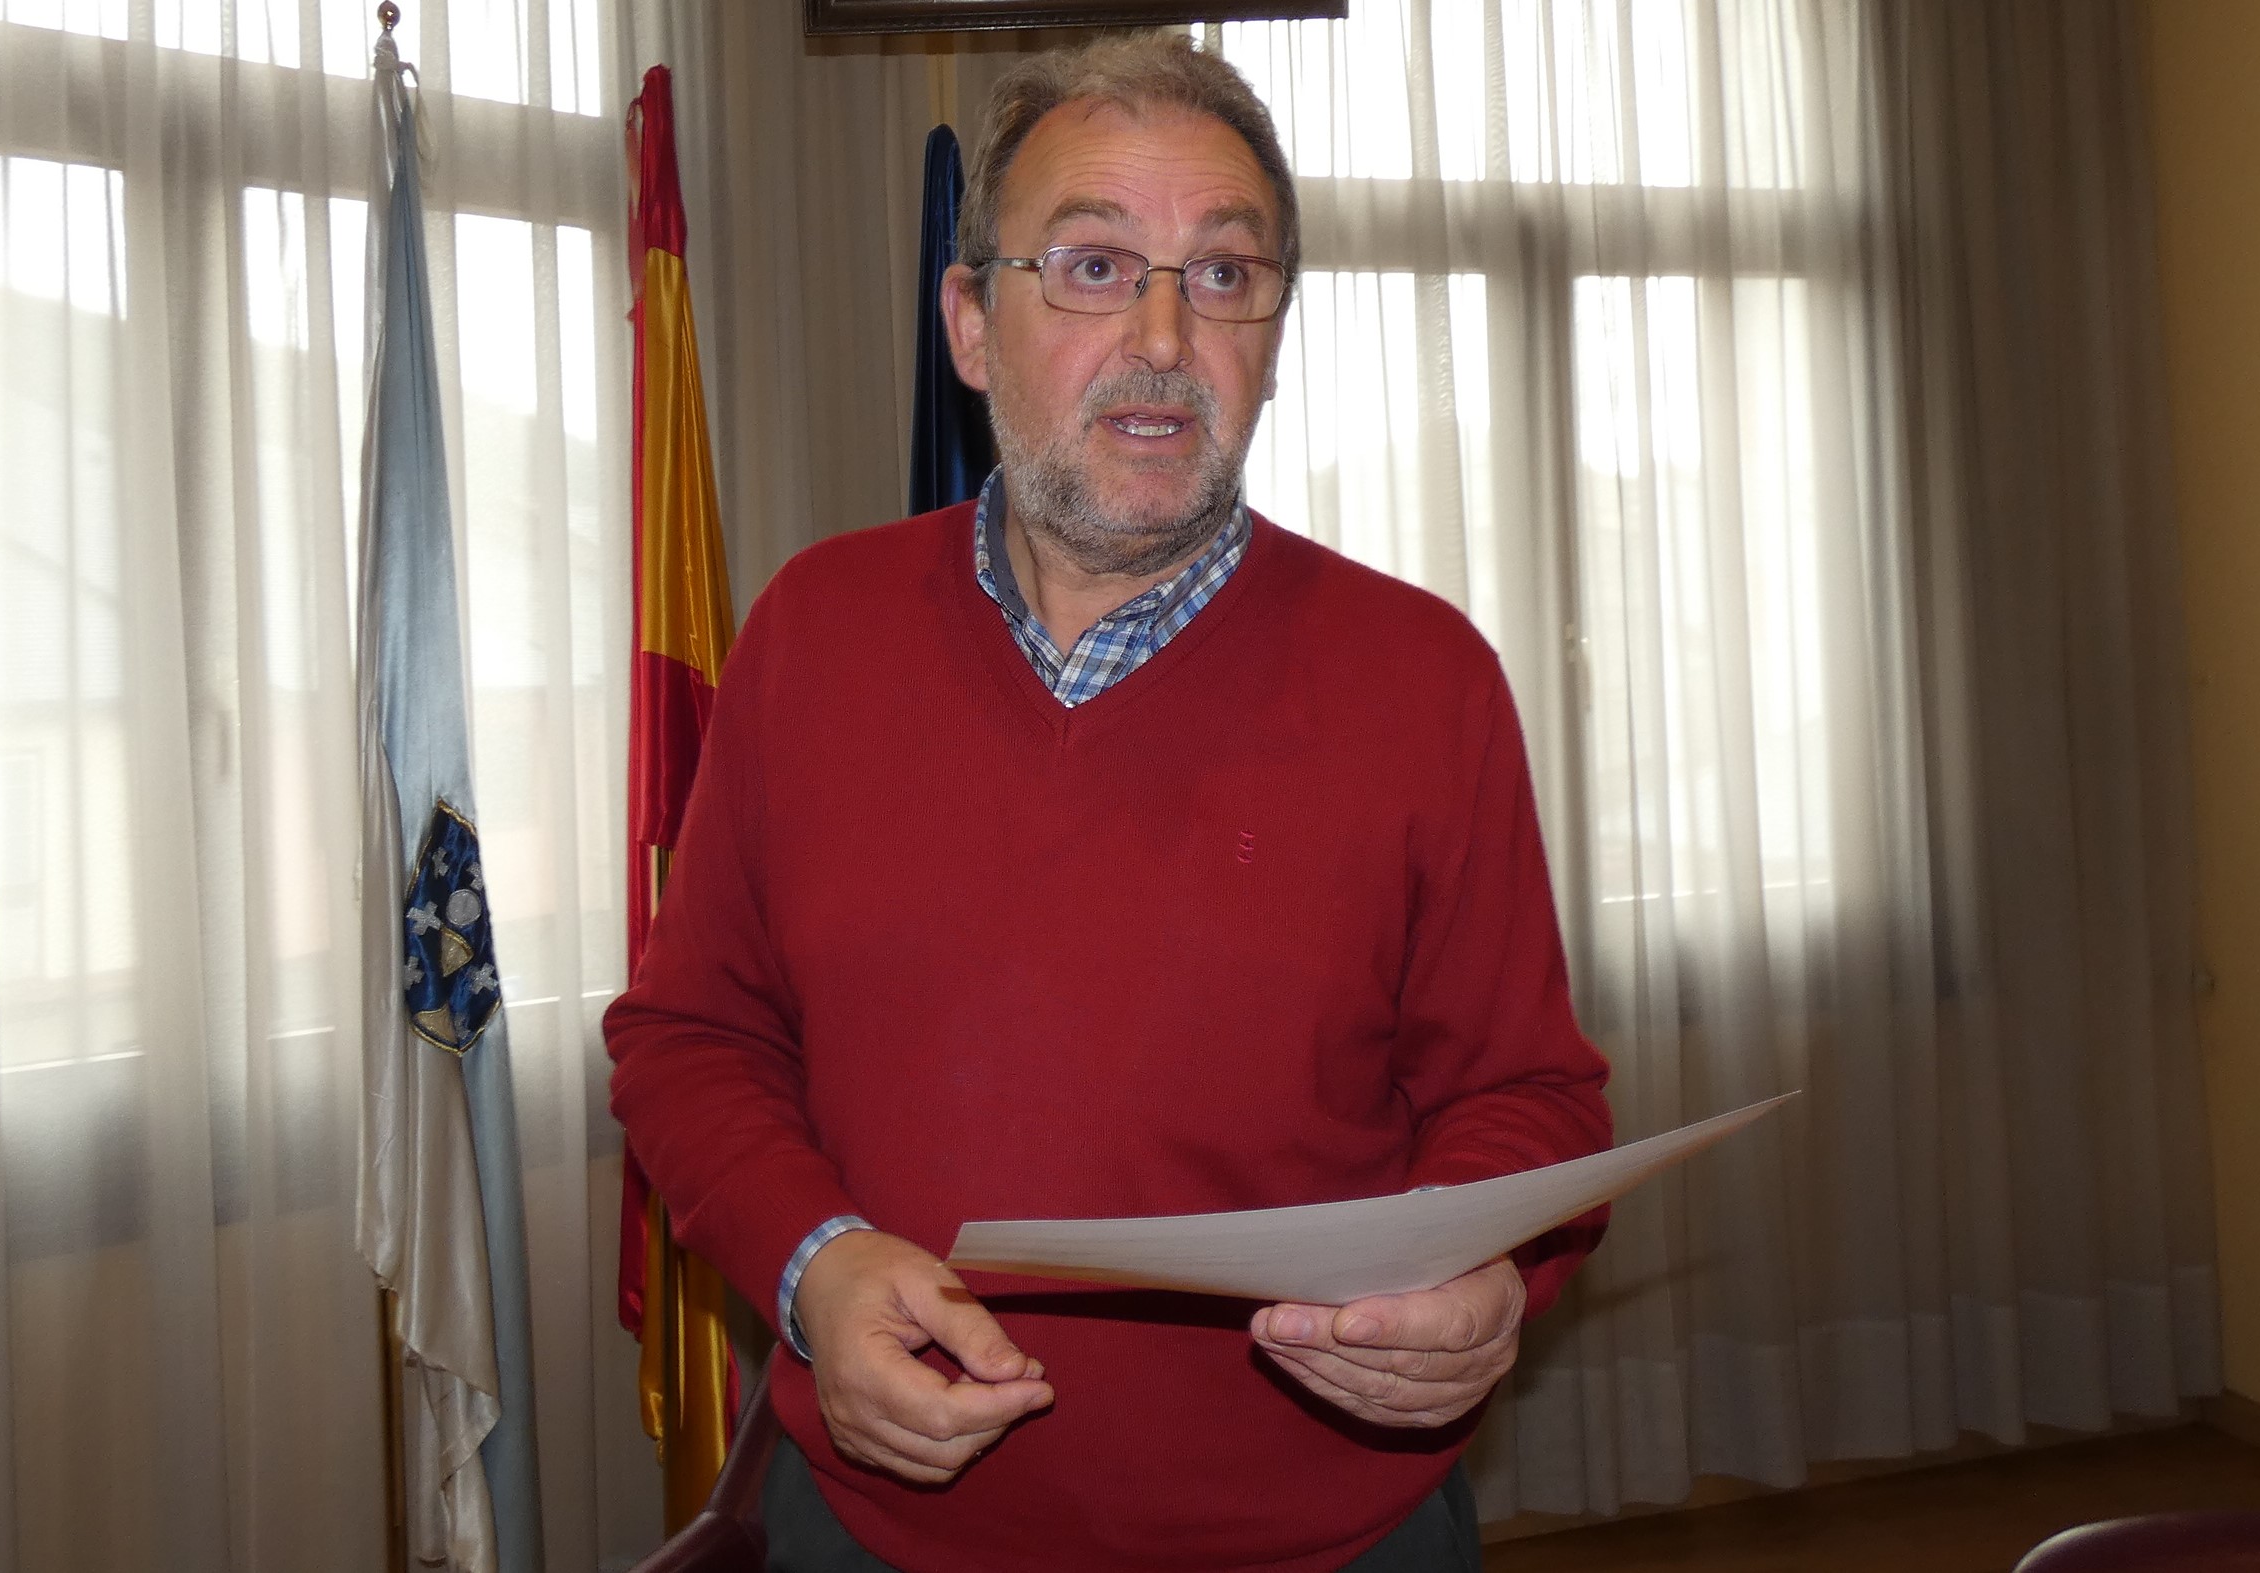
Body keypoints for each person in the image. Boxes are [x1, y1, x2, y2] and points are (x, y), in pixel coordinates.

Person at [604, 32, 1613, 1573]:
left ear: (1273, 327)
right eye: (1092, 266)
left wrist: (1486, 1275)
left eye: (1223, 274)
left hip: (1328, 1541)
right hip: (880, 1531)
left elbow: (1529, 1098)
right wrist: (814, 1263)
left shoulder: (1426, 679)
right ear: (969, 323)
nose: (1162, 334)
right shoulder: (812, 633)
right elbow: (689, 1038)